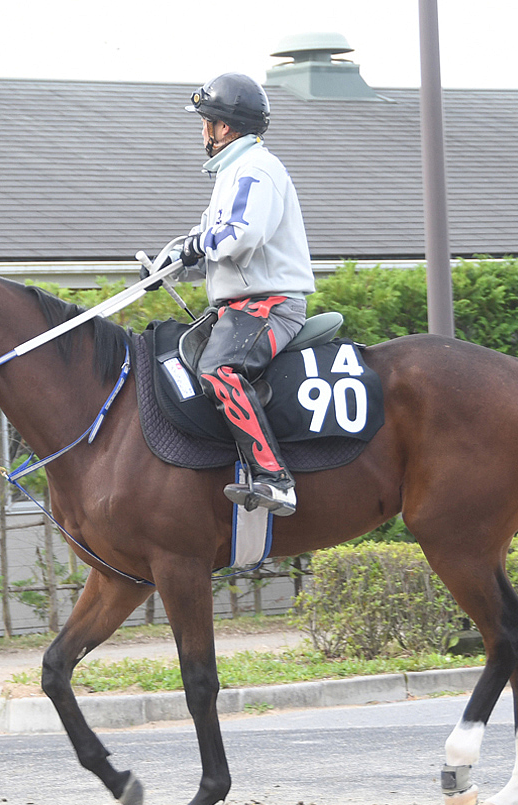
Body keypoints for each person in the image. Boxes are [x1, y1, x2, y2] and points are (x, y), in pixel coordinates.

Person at [144, 72, 315, 517]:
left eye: (206, 122)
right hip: (243, 306)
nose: (202, 131)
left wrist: (196, 247)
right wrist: (174, 259)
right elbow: (208, 237)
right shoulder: (232, 173)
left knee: (219, 369)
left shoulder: (255, 168)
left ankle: (274, 479)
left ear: (225, 127)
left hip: (271, 307)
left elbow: (239, 235)